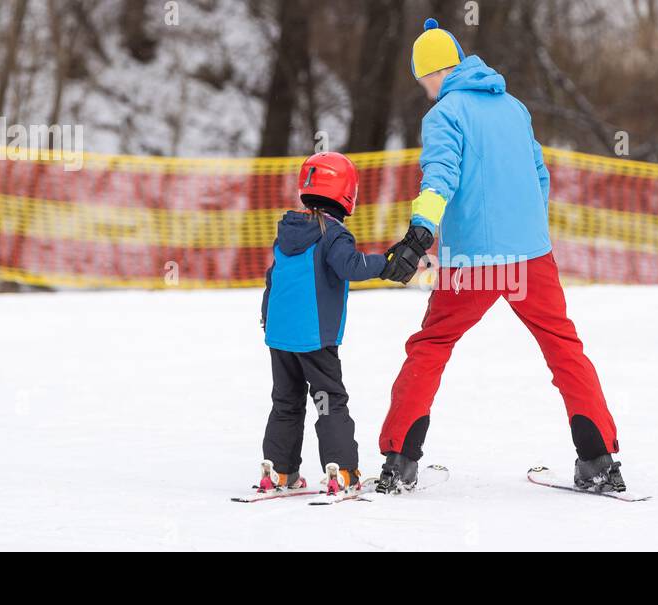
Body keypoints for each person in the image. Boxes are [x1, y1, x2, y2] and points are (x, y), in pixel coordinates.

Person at [374, 19, 624, 494]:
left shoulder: (444, 114)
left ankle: (399, 458)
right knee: (563, 347)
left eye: (423, 81)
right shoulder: (514, 109)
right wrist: (528, 229)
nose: (426, 92)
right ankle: (599, 459)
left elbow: (440, 176)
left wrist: (419, 233)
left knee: (431, 345)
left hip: (472, 262)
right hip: (532, 256)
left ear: (433, 74)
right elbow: (539, 175)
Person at [256, 152, 388, 495]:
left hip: (280, 336)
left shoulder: (288, 230)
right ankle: (341, 471)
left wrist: (267, 316)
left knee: (286, 401)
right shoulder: (333, 234)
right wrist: (386, 263)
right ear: (347, 192)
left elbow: (274, 279)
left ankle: (280, 471)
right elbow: (352, 267)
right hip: (314, 337)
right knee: (328, 400)